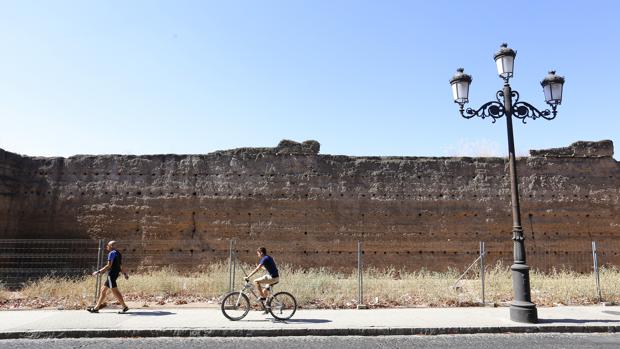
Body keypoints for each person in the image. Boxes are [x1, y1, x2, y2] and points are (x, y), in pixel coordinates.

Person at [87, 240, 129, 313]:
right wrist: (124, 274)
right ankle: (96, 308)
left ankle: (124, 306)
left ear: (111, 246)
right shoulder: (118, 253)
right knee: (103, 290)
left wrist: (98, 271)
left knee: (115, 291)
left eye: (108, 245)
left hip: (111, 275)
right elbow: (120, 265)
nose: (107, 247)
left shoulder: (111, 253)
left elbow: (108, 265)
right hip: (115, 274)